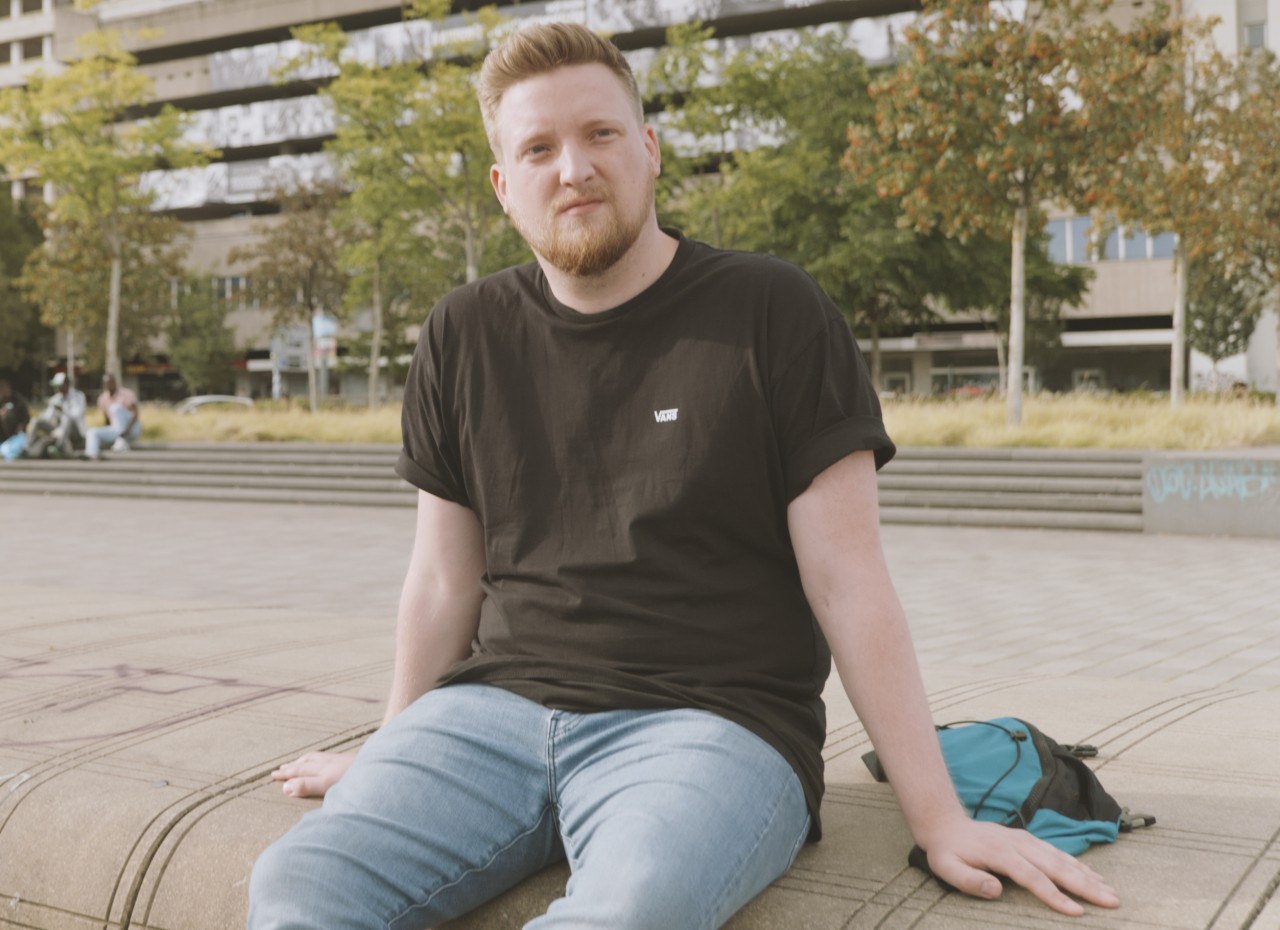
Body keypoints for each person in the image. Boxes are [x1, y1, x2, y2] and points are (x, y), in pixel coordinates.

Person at [248, 23, 1119, 929]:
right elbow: (439, 579)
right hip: (491, 715)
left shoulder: (772, 310)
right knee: (295, 887)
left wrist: (938, 817)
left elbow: (848, 582)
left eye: (601, 134)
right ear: (505, 188)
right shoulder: (462, 331)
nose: (573, 168)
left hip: (712, 726)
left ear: (650, 150)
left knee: (633, 909)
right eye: (538, 149)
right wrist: (394, 750)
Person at [26, 372, 88, 458]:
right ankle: (27, 447)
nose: (56, 388)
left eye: (58, 385)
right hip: (59, 430)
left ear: (66, 385)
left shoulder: (78, 396)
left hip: (75, 431)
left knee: (67, 419)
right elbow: (47, 417)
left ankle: (58, 447)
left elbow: (77, 416)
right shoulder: (56, 398)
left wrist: (63, 410)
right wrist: (41, 417)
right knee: (36, 421)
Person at [84, 373, 141, 459]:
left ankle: (122, 441)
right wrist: (107, 436)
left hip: (132, 428)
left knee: (115, 408)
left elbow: (135, 414)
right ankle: (92, 454)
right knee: (92, 432)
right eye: (107, 383)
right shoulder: (102, 398)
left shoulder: (126, 393)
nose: (109, 384)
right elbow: (107, 419)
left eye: (111, 382)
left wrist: (126, 431)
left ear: (115, 382)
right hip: (116, 430)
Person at [0, 378, 31, 444]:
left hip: (17, 428)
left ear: (8, 387)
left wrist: (22, 425)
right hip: (3, 430)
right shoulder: (1, 400)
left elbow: (26, 417)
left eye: (3, 386)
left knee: (7, 415)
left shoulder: (18, 399)